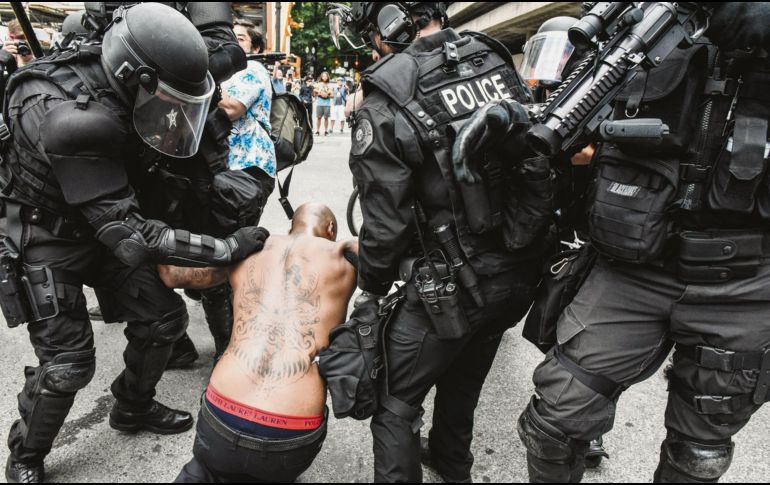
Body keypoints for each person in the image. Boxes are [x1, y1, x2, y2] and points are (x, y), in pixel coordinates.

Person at [464, 3, 770, 482]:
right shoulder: (650, 17)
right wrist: (517, 125)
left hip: (744, 279)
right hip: (629, 264)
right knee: (553, 424)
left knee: (699, 453)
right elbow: (574, 110)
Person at [0, 4, 269, 482]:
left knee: (164, 320)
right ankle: (25, 454)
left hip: (104, 216)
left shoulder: (134, 73)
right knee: (67, 364)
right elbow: (132, 238)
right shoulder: (71, 116)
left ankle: (132, 406)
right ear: (136, 77)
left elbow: (219, 56)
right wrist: (227, 249)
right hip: (45, 234)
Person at [329, 2, 550, 482]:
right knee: (464, 375)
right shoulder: (490, 56)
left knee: (395, 402)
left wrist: (371, 287)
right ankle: (452, 465)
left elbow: (384, 224)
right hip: (516, 273)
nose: (373, 45)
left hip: (450, 287)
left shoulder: (388, 95)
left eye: (372, 33)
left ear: (389, 23)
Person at [163, 203, 358, 483]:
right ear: (331, 229)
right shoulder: (343, 252)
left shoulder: (248, 249)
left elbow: (173, 274)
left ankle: (203, 472)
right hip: (289, 436)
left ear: (291, 227)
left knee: (206, 468)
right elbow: (395, 261)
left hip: (221, 418)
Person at [314, 71, 333, 136]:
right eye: (323, 76)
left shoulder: (330, 85)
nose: (324, 77)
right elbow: (314, 93)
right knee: (318, 118)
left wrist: (327, 95)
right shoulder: (318, 84)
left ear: (327, 77)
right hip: (319, 103)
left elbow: (332, 95)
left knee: (326, 118)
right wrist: (320, 94)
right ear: (321, 77)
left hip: (327, 104)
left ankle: (326, 131)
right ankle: (317, 131)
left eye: (325, 76)